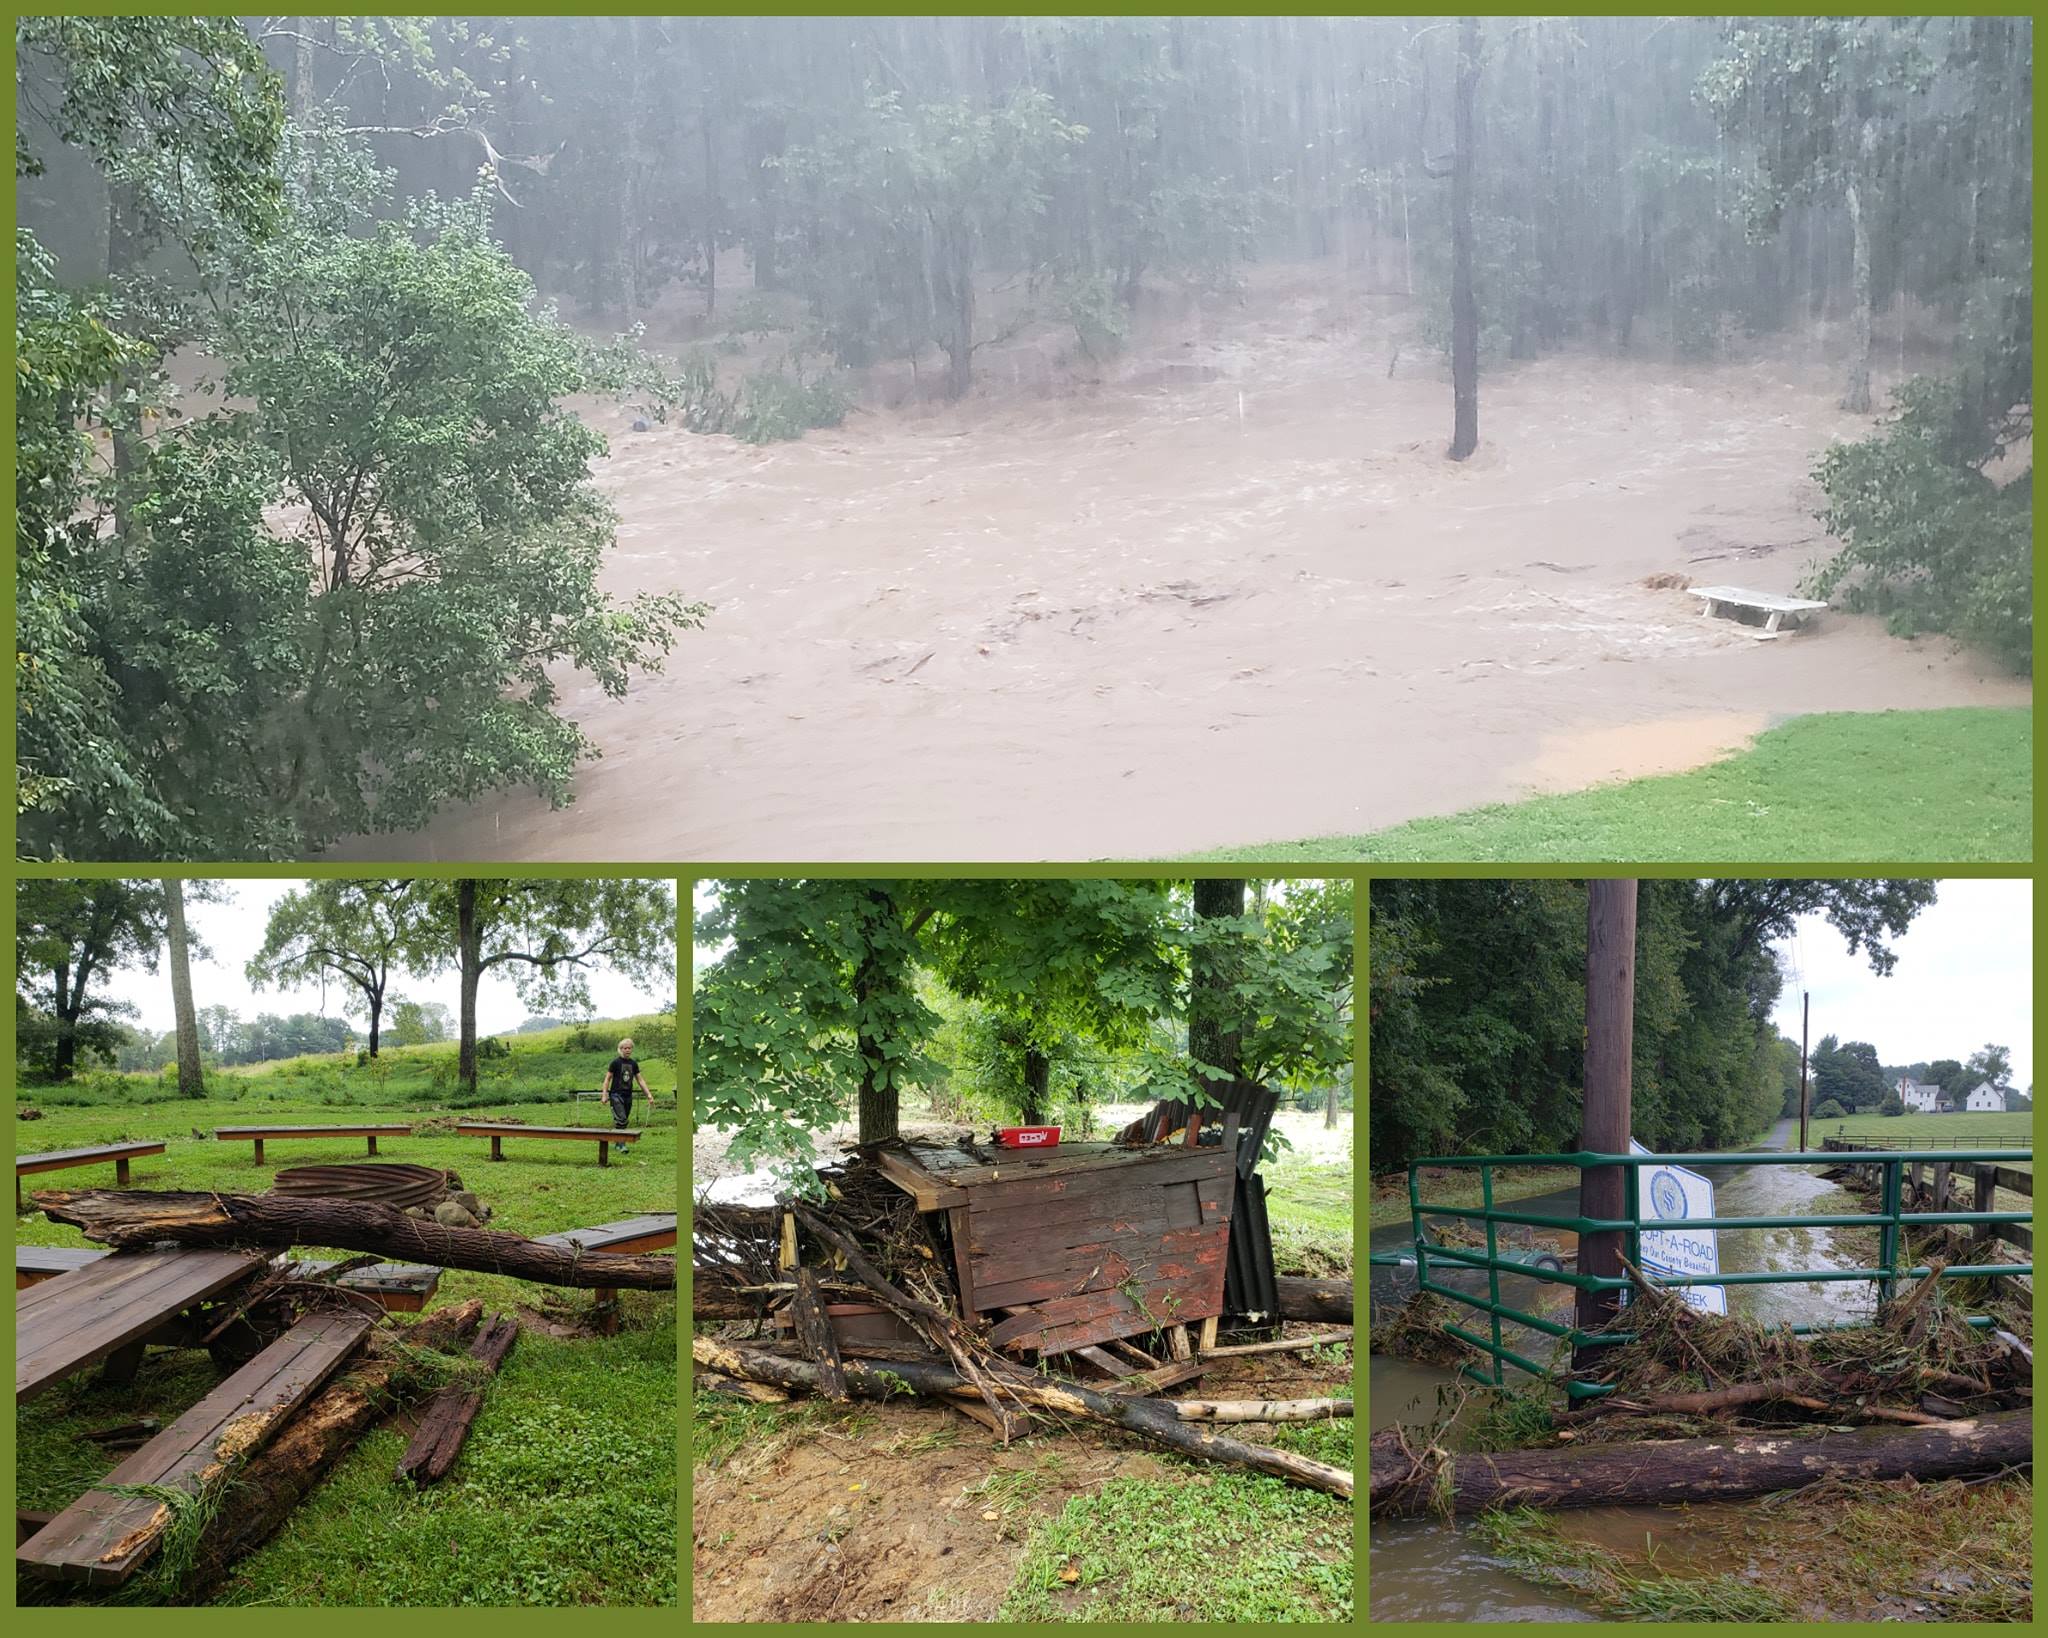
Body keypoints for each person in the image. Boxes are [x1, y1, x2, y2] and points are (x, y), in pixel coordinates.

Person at [602, 1038, 652, 1130]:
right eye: (625, 1048)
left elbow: (640, 1080)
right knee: (622, 1119)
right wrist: (604, 1095)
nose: (627, 1050)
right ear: (620, 1049)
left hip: (628, 1095)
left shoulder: (633, 1064)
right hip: (616, 1095)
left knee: (622, 1122)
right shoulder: (615, 1063)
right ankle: (620, 1143)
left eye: (629, 1048)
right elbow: (607, 1079)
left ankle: (619, 1143)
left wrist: (648, 1094)